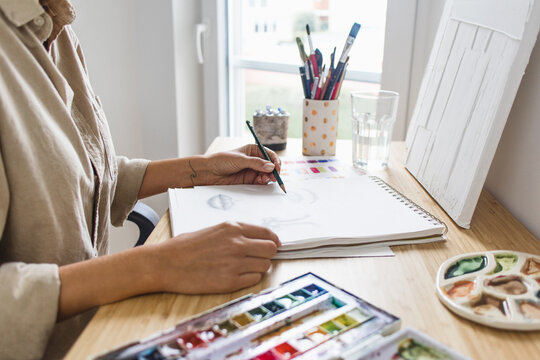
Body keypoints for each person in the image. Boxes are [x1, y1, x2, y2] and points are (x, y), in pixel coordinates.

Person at [0, 1, 282, 358]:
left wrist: (199, 170)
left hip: (96, 332)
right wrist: (156, 265)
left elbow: (80, 175)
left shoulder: (56, 23)